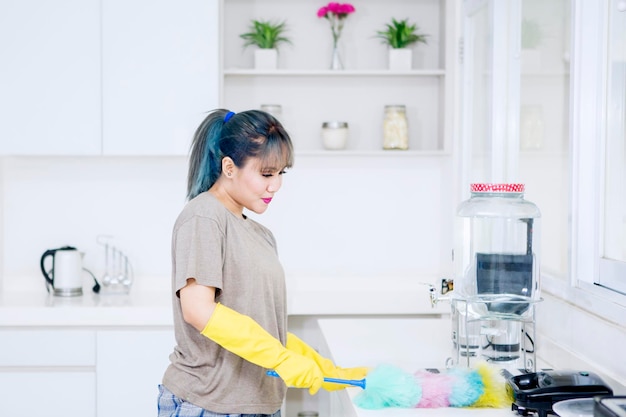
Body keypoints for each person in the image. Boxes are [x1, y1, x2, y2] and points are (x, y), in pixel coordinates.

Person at [158, 109, 368, 417]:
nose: (276, 185)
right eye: (267, 174)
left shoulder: (261, 234)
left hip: (259, 404)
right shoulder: (204, 217)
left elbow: (260, 324)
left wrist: (322, 367)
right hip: (208, 404)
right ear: (229, 167)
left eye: (282, 173)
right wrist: (280, 360)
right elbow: (198, 310)